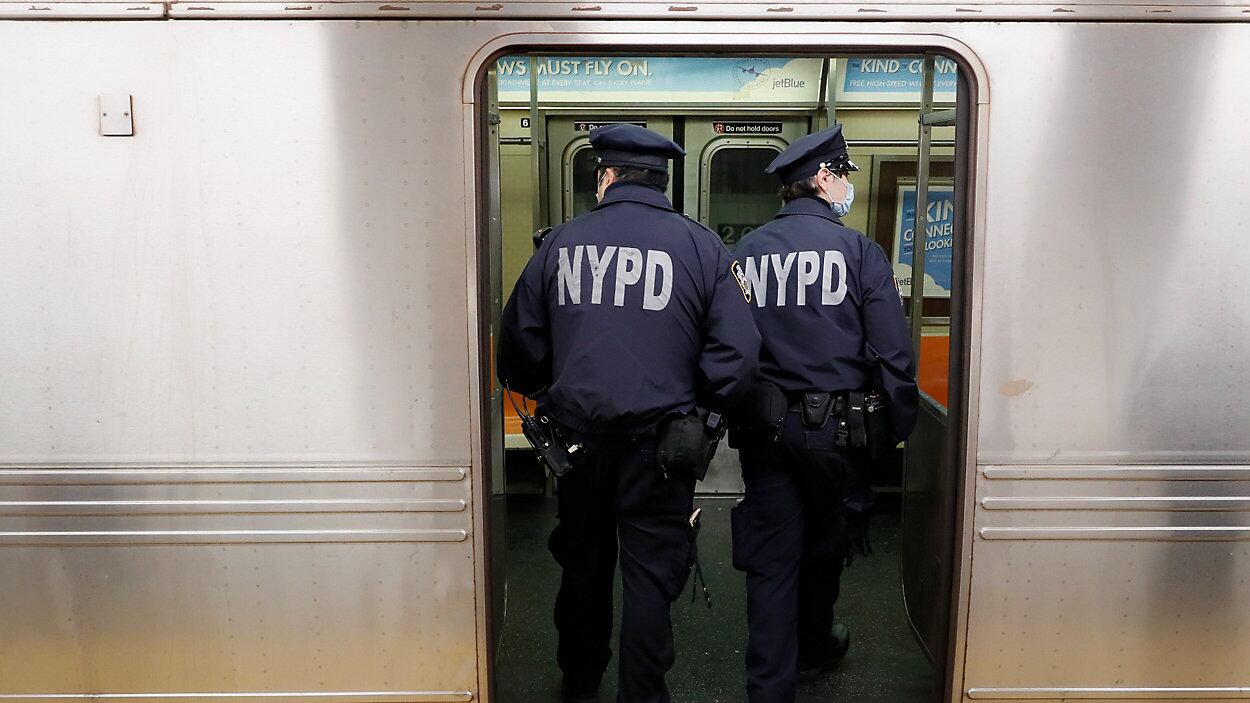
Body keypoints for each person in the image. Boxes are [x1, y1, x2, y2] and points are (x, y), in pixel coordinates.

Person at [497, 123, 761, 703]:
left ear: (606, 176)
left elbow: (517, 346)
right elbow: (738, 356)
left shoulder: (560, 245)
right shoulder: (701, 246)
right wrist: (702, 411)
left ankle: (580, 679)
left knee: (583, 565)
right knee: (649, 577)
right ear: (662, 181)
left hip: (577, 444)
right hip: (664, 447)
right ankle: (642, 691)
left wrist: (556, 387)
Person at [728, 124, 919, 703]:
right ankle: (813, 646)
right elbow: (893, 351)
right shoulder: (860, 252)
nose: (845, 189)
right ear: (822, 179)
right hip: (841, 432)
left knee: (771, 553)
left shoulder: (745, 253)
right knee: (826, 544)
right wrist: (896, 427)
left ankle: (768, 682)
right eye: (841, 176)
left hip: (766, 429)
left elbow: (728, 346)